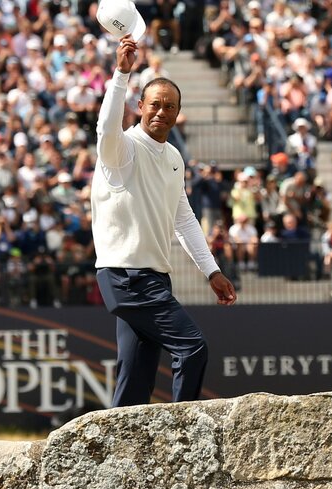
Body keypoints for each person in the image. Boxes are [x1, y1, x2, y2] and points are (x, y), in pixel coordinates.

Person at [93, 35, 237, 408]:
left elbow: (184, 218)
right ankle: (184, 435)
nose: (161, 112)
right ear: (140, 106)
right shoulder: (122, 148)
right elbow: (106, 130)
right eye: (154, 104)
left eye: (169, 107)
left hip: (153, 278)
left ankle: (117, 454)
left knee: (136, 378)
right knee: (192, 348)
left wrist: (212, 271)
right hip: (126, 276)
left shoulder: (173, 156)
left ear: (177, 113)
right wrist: (120, 75)